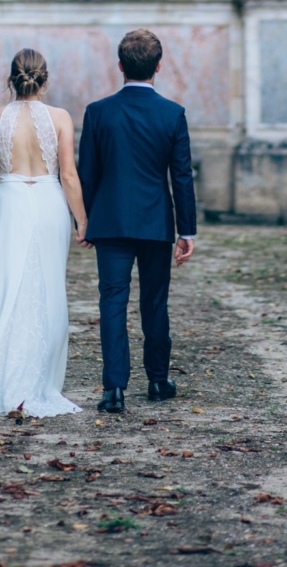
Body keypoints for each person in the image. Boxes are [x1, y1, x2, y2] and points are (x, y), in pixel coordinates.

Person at [0, 48, 88, 417]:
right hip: (48, 201)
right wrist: (82, 220)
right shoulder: (61, 117)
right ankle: (36, 380)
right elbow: (69, 175)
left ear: (11, 78)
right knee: (45, 286)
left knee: (3, 287)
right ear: (45, 79)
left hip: (10, 201)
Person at [78, 28, 197, 414]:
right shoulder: (172, 114)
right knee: (155, 302)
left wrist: (85, 220)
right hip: (155, 223)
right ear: (158, 67)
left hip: (109, 221)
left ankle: (114, 389)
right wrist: (187, 230)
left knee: (112, 302)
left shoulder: (98, 112)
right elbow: (181, 176)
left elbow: (87, 174)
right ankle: (159, 380)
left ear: (120, 65)